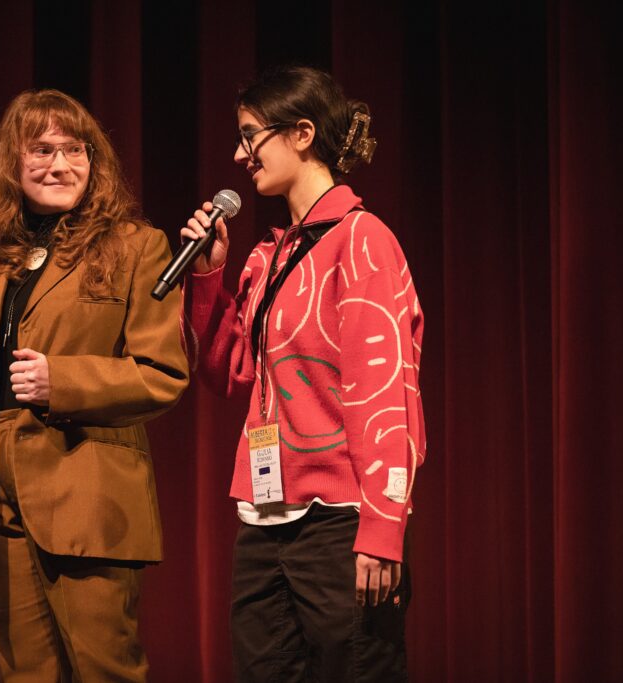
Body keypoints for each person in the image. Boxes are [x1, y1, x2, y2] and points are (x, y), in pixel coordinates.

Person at [0, 89, 188, 682]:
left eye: (74, 150)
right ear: (10, 163)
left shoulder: (136, 247)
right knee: (25, 674)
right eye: (41, 149)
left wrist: (59, 380)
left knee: (106, 668)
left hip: (84, 485)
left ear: (95, 163)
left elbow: (162, 373)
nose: (60, 164)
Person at [180, 65, 425, 682]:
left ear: (303, 134)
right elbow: (234, 375)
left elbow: (384, 389)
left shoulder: (363, 240)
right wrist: (209, 276)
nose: (239, 155)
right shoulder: (270, 255)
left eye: (250, 135)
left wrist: (382, 528)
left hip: (340, 518)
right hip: (264, 520)